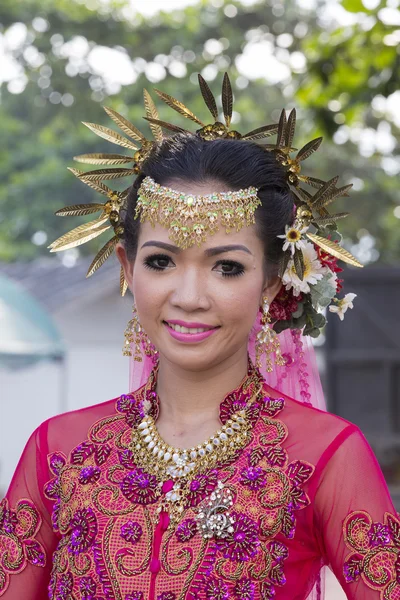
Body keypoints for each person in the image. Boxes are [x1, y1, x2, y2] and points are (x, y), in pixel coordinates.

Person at [1, 73, 398, 600]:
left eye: (227, 268)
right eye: (161, 261)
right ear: (127, 267)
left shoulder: (325, 454)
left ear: (272, 281)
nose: (188, 295)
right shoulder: (58, 449)